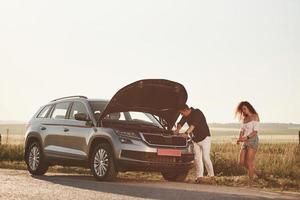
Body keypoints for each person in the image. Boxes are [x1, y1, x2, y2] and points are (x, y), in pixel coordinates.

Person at [174, 104, 214, 183]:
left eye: (182, 113)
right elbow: (180, 123)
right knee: (197, 159)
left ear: (186, 110)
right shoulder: (185, 115)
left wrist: (186, 133)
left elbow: (193, 126)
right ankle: (199, 177)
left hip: (205, 138)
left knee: (205, 157)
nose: (181, 115)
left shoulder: (197, 113)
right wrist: (177, 130)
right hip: (195, 140)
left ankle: (211, 176)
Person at [236, 101, 260, 180]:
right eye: (242, 109)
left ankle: (251, 182)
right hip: (245, 141)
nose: (243, 111)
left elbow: (255, 131)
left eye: (244, 109)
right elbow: (242, 130)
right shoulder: (244, 119)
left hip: (252, 140)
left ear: (249, 108)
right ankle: (256, 172)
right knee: (241, 162)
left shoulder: (255, 116)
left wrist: (246, 138)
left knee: (249, 162)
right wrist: (239, 138)